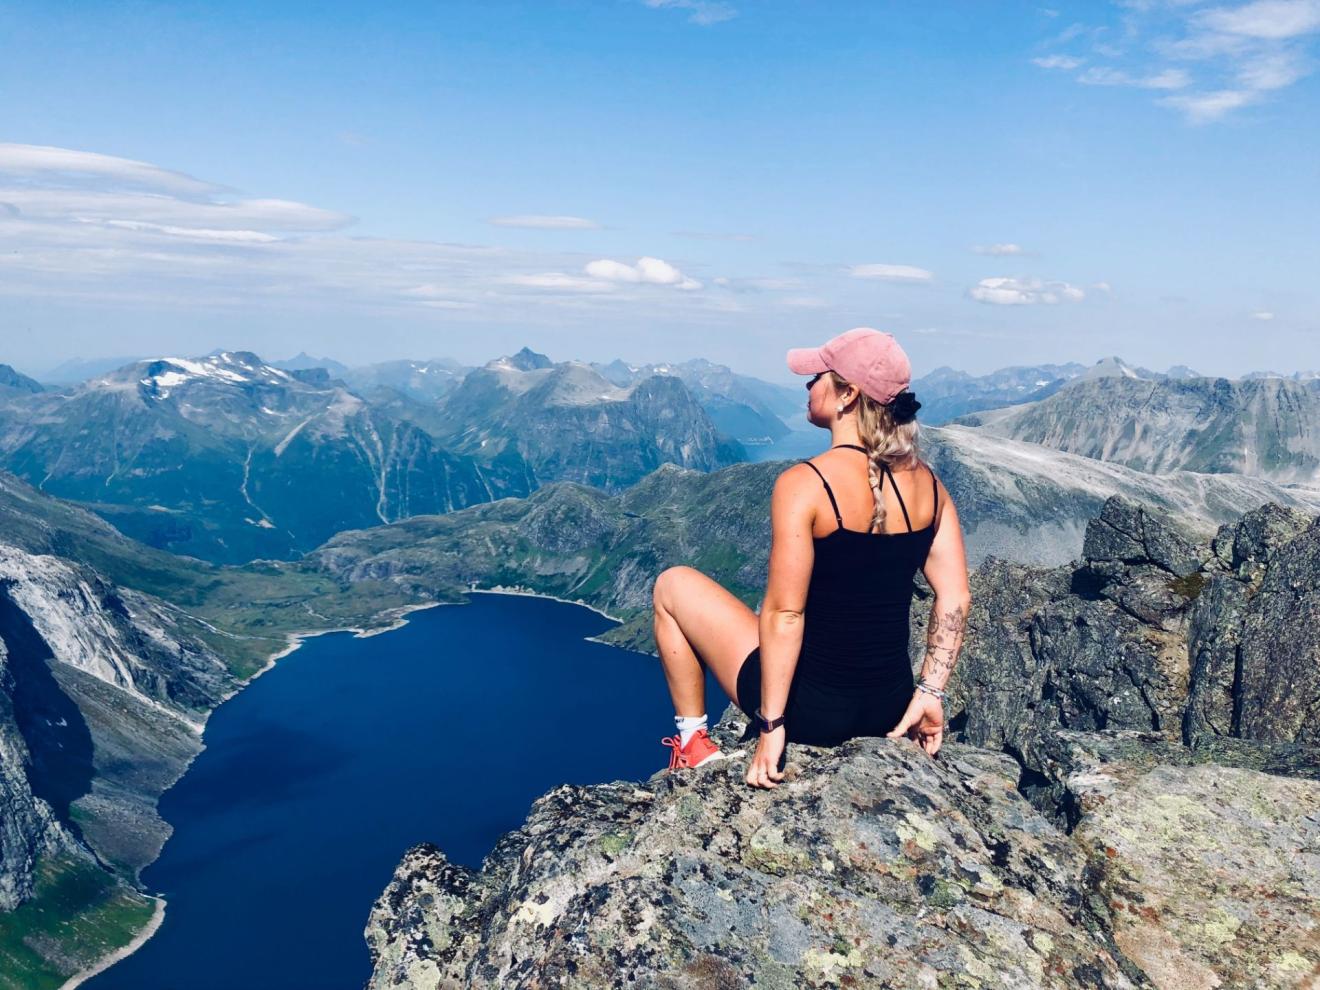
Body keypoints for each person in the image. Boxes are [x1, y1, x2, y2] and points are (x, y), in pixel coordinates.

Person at [653, 327, 971, 789]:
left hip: (811, 712)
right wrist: (930, 692)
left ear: (847, 395)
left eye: (817, 376)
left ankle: (693, 746)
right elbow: (955, 597)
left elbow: (785, 614)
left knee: (672, 585)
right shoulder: (932, 487)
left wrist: (771, 726)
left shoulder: (805, 484)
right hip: (889, 709)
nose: (808, 385)